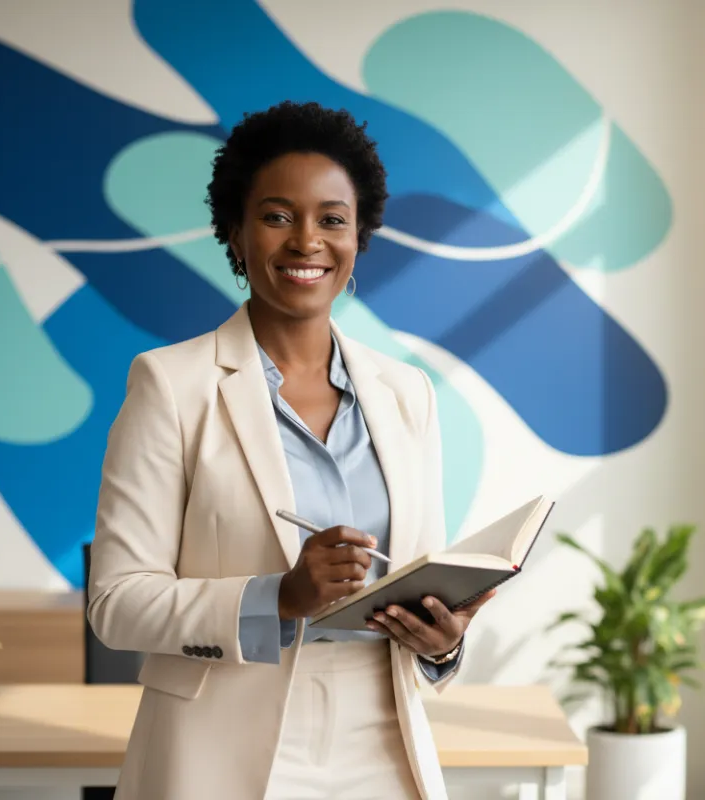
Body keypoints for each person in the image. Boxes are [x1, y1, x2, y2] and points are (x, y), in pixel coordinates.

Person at [86, 100, 496, 800]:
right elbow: (118, 603)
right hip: (223, 744)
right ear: (235, 235)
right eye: (277, 216)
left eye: (333, 219)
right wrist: (280, 598)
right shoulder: (171, 384)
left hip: (384, 738)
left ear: (359, 237)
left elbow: (423, 572)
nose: (307, 241)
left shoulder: (407, 393)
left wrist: (443, 642)